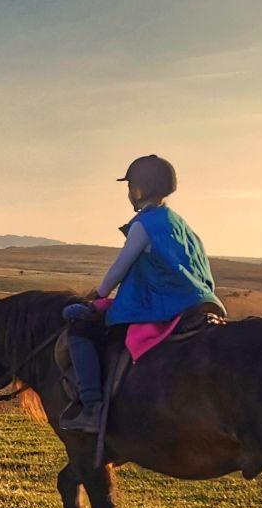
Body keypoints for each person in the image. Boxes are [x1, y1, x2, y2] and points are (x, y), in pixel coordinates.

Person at [58, 154, 226, 434]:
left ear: (139, 189)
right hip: (199, 302)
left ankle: (92, 409)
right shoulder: (180, 224)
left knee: (81, 331)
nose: (128, 193)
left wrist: (96, 295)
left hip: (163, 305)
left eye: (129, 187)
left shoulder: (144, 224)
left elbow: (119, 269)